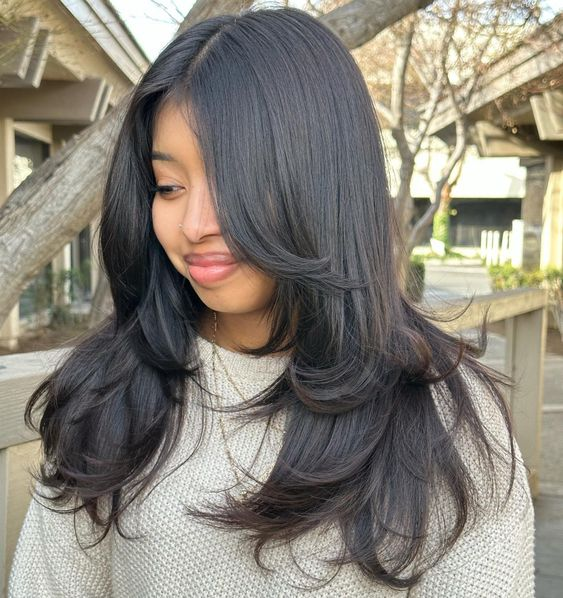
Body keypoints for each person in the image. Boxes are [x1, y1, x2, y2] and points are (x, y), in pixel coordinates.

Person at [8, 6, 534, 597]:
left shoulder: (444, 415)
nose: (195, 224)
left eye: (235, 182)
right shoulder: (108, 392)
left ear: (322, 181)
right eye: (169, 187)